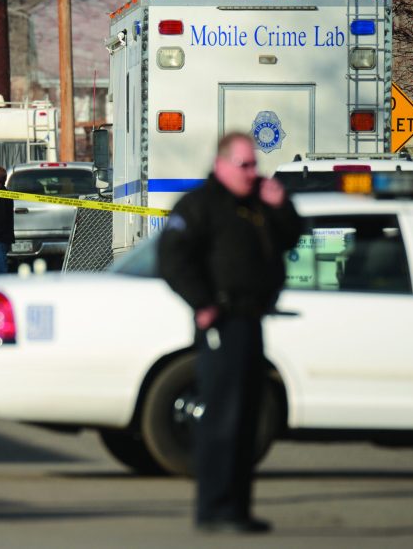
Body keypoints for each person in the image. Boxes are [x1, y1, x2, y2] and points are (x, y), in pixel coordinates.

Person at [158, 132, 302, 534]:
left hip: (251, 319)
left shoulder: (256, 203)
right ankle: (214, 506)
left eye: (255, 164)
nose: (252, 172)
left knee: (247, 418)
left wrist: (282, 206)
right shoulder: (201, 204)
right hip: (221, 321)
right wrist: (202, 302)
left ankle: (237, 508)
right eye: (244, 165)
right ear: (221, 164)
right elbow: (172, 258)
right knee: (223, 416)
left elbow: (290, 237)